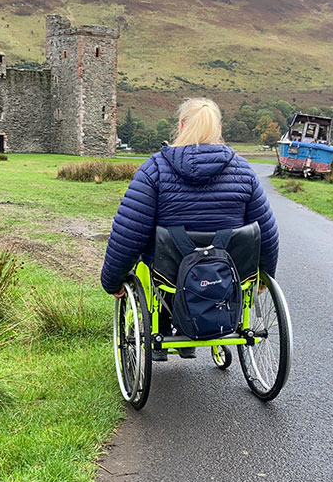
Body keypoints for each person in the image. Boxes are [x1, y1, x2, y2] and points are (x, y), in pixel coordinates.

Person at [100, 98, 279, 360]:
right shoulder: (243, 170)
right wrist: (265, 274)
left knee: (159, 268)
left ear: (182, 125)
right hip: (228, 271)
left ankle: (166, 328)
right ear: (217, 129)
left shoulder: (155, 169)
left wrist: (112, 280)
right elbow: (267, 231)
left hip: (170, 274)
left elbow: (128, 232)